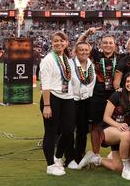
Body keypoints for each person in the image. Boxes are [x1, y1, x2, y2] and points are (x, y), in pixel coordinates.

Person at [78, 72, 130, 180]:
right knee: (126, 134)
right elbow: (106, 117)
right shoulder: (117, 94)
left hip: (124, 132)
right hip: (107, 129)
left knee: (117, 167)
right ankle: (127, 169)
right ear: (124, 83)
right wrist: (118, 125)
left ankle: (94, 159)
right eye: (127, 81)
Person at [78, 28, 121, 163]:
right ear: (100, 45)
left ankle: (115, 154)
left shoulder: (121, 58)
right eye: (105, 43)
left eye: (111, 43)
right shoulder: (95, 55)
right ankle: (96, 154)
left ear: (115, 45)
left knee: (116, 125)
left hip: (114, 98)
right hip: (96, 96)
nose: (108, 45)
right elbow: (79, 46)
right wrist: (87, 33)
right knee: (95, 126)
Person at [39, 31, 76, 176]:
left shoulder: (66, 58)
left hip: (68, 98)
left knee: (68, 130)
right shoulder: (48, 59)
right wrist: (47, 105)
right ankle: (50, 165)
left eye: (62, 41)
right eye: (56, 41)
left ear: (66, 42)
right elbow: (45, 85)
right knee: (51, 133)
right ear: (51, 42)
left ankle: (58, 157)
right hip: (52, 98)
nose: (59, 43)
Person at [67, 42, 96, 170]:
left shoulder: (91, 65)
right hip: (72, 101)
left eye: (86, 50)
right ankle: (69, 158)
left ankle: (79, 156)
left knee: (82, 131)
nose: (84, 52)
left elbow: (90, 84)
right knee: (68, 130)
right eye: (81, 50)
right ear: (76, 52)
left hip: (86, 101)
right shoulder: (71, 64)